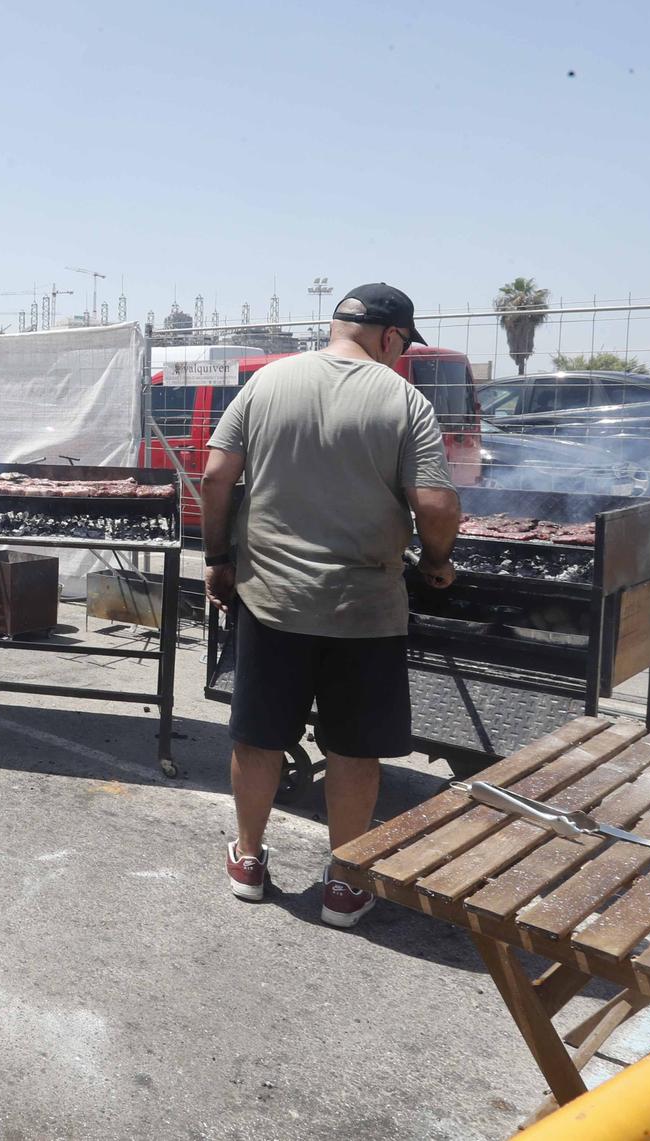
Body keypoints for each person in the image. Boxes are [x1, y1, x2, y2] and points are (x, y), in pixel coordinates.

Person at [200, 285, 459, 928]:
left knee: (258, 738)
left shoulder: (265, 383)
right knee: (352, 749)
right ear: (392, 337)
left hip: (271, 599)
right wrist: (435, 561)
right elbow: (434, 505)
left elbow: (213, 478)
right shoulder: (405, 400)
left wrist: (218, 558)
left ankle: (250, 861)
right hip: (364, 608)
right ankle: (344, 883)